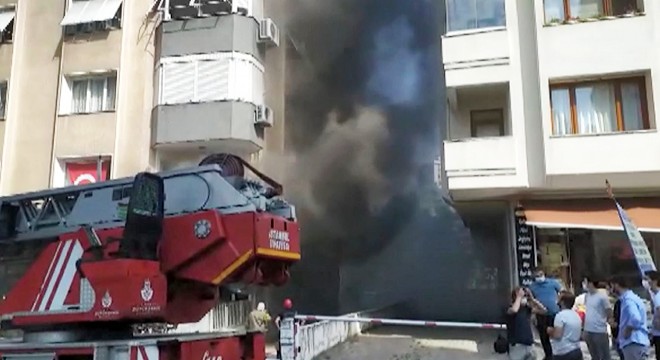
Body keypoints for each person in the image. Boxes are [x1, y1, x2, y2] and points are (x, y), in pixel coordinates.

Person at [611, 275, 650, 360]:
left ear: (616, 285)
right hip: (637, 342)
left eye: (612, 285)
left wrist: (626, 331)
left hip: (633, 342)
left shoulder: (628, 300)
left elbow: (635, 319)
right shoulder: (632, 298)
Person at [529, 267, 563, 360]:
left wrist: (558, 302)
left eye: (540, 275)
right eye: (536, 276)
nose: (539, 277)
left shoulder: (553, 283)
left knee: (557, 335)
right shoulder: (532, 286)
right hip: (541, 315)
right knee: (544, 337)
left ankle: (559, 354)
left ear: (543, 273)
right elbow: (531, 300)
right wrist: (533, 313)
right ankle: (548, 356)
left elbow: (562, 293)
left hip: (554, 313)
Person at [506, 287, 547, 360]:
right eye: (522, 296)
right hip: (517, 345)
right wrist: (519, 297)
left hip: (529, 344)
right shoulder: (509, 308)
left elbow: (543, 310)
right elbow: (514, 310)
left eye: (524, 296)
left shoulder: (527, 309)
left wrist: (532, 299)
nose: (523, 297)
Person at [582, 275, 613, 360]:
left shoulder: (602, 296)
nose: (584, 284)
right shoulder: (587, 296)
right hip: (588, 331)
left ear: (591, 283)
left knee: (604, 356)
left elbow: (609, 311)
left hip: (599, 331)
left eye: (585, 282)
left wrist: (609, 321)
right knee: (594, 355)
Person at [547, 291, 583, 360]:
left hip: (563, 352)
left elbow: (557, 335)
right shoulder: (576, 315)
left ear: (562, 302)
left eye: (558, 298)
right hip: (576, 350)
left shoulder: (560, 316)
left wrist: (550, 331)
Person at [646, 271, 660, 360]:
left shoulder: (658, 297)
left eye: (647, 279)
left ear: (654, 281)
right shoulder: (655, 296)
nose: (646, 282)